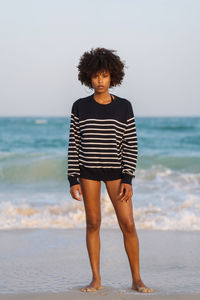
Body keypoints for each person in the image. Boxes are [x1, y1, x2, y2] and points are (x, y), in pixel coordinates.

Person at [67, 47, 154, 293]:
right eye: (95, 76)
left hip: (117, 173)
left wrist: (128, 178)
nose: (100, 81)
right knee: (93, 223)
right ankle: (96, 279)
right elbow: (74, 144)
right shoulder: (79, 107)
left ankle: (137, 279)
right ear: (88, 77)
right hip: (88, 172)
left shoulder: (124, 107)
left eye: (104, 76)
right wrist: (72, 178)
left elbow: (130, 145)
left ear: (113, 76)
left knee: (128, 224)